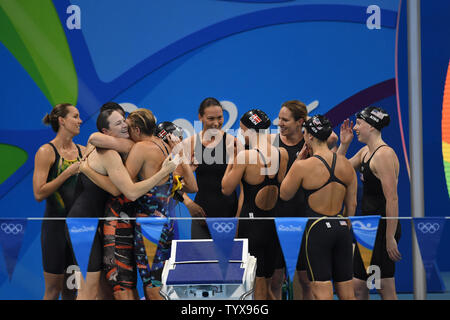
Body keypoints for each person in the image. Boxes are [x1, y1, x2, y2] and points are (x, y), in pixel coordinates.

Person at [69, 108, 179, 300]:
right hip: (92, 222)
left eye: (125, 122)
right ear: (107, 131)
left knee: (140, 283)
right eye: (119, 123)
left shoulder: (136, 147)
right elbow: (95, 138)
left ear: (136, 129)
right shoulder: (154, 144)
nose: (124, 126)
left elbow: (121, 191)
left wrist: (86, 169)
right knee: (106, 286)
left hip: (134, 222)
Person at [280, 115, 357, 300]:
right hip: (342, 229)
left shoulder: (303, 166)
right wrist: (345, 223)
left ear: (310, 137)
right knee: (347, 291)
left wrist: (298, 159)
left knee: (321, 290)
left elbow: (284, 194)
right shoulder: (346, 164)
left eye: (305, 133)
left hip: (317, 230)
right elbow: (352, 203)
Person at [125, 110, 198, 300]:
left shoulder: (142, 148)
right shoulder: (166, 148)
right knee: (163, 282)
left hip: (150, 227)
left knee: (152, 284)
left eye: (128, 128)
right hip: (165, 223)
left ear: (137, 129)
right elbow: (192, 186)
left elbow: (124, 187)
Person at [222, 109, 288, 300]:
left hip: (251, 226)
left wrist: (232, 160)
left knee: (255, 283)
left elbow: (226, 188)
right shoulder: (282, 153)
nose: (241, 134)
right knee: (267, 281)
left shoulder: (245, 156)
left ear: (249, 130)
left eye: (242, 130)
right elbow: (280, 187)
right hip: (272, 225)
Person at [338, 106, 401, 300]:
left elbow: (392, 198)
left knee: (384, 287)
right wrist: (344, 145)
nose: (355, 128)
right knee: (358, 286)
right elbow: (337, 170)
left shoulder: (383, 155)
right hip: (366, 229)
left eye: (358, 124)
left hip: (382, 230)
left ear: (372, 126)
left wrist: (390, 237)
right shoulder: (366, 152)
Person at [32, 103, 85, 300]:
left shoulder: (83, 151)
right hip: (55, 229)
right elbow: (39, 193)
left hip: (78, 229)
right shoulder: (46, 152)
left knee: (72, 290)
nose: (80, 120)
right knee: (53, 290)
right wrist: (67, 173)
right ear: (62, 120)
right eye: (75, 116)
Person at [182, 97, 241, 239]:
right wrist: (189, 203)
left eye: (220, 117)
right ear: (200, 117)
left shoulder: (233, 144)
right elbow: (174, 182)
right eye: (210, 118)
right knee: (201, 260)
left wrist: (239, 217)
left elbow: (244, 187)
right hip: (201, 214)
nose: (216, 123)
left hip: (229, 215)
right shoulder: (190, 144)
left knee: (228, 261)